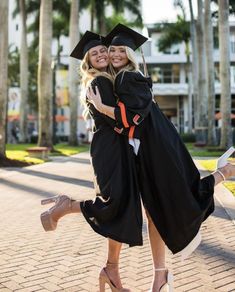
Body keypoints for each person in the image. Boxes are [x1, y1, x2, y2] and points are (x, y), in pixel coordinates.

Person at [86, 23, 235, 292]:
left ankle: (223, 173)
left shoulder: (126, 78)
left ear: (130, 54)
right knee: (155, 210)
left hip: (155, 146)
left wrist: (100, 107)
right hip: (148, 148)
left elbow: (131, 119)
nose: (116, 54)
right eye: (112, 50)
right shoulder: (122, 79)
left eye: (122, 50)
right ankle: (160, 276)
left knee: (175, 197)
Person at [40, 31, 143, 292]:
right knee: (113, 204)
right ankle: (65, 206)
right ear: (88, 60)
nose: (101, 54)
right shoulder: (100, 83)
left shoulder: (107, 80)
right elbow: (116, 121)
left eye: (103, 51)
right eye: (94, 53)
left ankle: (111, 270)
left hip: (114, 147)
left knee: (121, 208)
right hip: (110, 149)